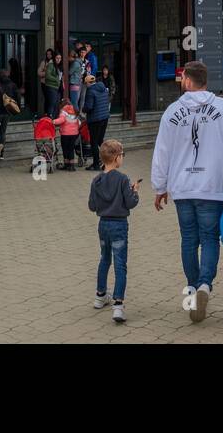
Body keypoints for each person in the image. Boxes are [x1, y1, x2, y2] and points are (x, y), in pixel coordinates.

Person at [150, 59, 223, 323]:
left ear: (189, 81)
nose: (181, 81)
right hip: (212, 186)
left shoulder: (172, 111)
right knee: (209, 238)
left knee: (188, 239)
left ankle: (193, 288)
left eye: (183, 78)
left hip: (182, 187)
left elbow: (162, 152)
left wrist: (160, 186)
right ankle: (205, 284)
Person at [89, 139, 139, 324]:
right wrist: (135, 192)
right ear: (117, 157)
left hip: (103, 225)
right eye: (122, 155)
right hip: (119, 225)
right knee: (120, 263)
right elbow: (131, 203)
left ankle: (100, 295)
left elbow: (91, 206)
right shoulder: (123, 179)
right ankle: (118, 304)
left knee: (104, 258)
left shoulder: (96, 180)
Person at [0, 72, 21, 160]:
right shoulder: (12, 85)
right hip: (8, 112)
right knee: (3, 132)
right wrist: (18, 105)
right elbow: (18, 96)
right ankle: (2, 154)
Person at [83, 75, 112, 170]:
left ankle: (96, 164)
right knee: (100, 140)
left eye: (85, 84)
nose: (85, 85)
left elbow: (89, 107)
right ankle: (109, 158)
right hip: (105, 117)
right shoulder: (103, 88)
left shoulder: (90, 91)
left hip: (95, 120)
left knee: (94, 142)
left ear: (88, 83)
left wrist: (83, 109)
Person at [54, 102, 82, 171]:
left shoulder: (64, 112)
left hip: (65, 134)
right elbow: (79, 123)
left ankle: (66, 164)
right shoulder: (74, 111)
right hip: (74, 134)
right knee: (71, 149)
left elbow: (61, 120)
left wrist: (52, 121)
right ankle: (72, 165)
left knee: (65, 149)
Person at [41, 49, 62, 118]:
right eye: (57, 58)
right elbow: (47, 75)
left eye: (60, 58)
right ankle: (49, 120)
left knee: (57, 104)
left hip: (57, 87)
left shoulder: (59, 66)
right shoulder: (51, 65)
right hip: (51, 87)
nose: (59, 60)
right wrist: (56, 79)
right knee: (52, 104)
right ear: (54, 58)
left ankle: (54, 120)